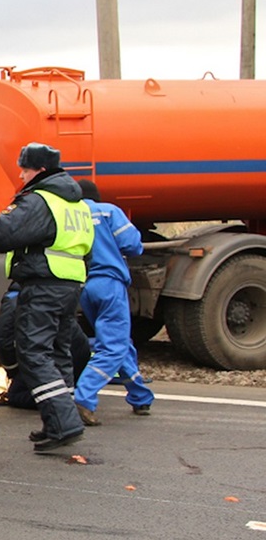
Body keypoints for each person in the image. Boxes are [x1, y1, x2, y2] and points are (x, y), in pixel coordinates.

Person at [0, 143, 93, 453]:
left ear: (41, 170)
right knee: (58, 352)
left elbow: (2, 233)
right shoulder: (76, 204)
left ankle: (65, 423)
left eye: (25, 168)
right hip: (68, 285)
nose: (20, 174)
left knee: (33, 353)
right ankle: (58, 420)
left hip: (42, 284)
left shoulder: (41, 201)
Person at [73, 179, 155, 422]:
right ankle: (84, 397)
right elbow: (132, 245)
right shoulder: (108, 211)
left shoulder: (72, 215)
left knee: (119, 342)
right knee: (113, 346)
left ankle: (140, 397)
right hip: (110, 283)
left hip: (84, 286)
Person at [0, 282, 91, 409]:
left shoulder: (16, 301)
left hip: (50, 358)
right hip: (76, 357)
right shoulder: (55, 295)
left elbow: (2, 340)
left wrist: (13, 370)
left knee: (16, 394)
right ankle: (67, 398)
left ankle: (61, 403)